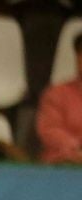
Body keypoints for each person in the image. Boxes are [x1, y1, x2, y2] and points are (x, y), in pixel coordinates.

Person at [34, 33, 82, 164]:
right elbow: (49, 130)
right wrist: (76, 149)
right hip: (62, 165)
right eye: (80, 54)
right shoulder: (56, 94)